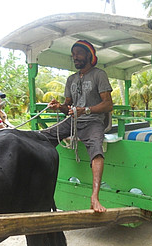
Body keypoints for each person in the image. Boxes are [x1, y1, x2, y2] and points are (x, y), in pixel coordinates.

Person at [41, 40, 113, 213]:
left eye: (79, 53)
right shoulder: (71, 79)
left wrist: (86, 110)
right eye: (73, 54)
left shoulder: (99, 74)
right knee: (42, 137)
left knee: (96, 148)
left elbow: (108, 105)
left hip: (93, 121)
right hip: (73, 121)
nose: (75, 57)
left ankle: (94, 197)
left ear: (89, 55)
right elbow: (68, 107)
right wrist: (60, 107)